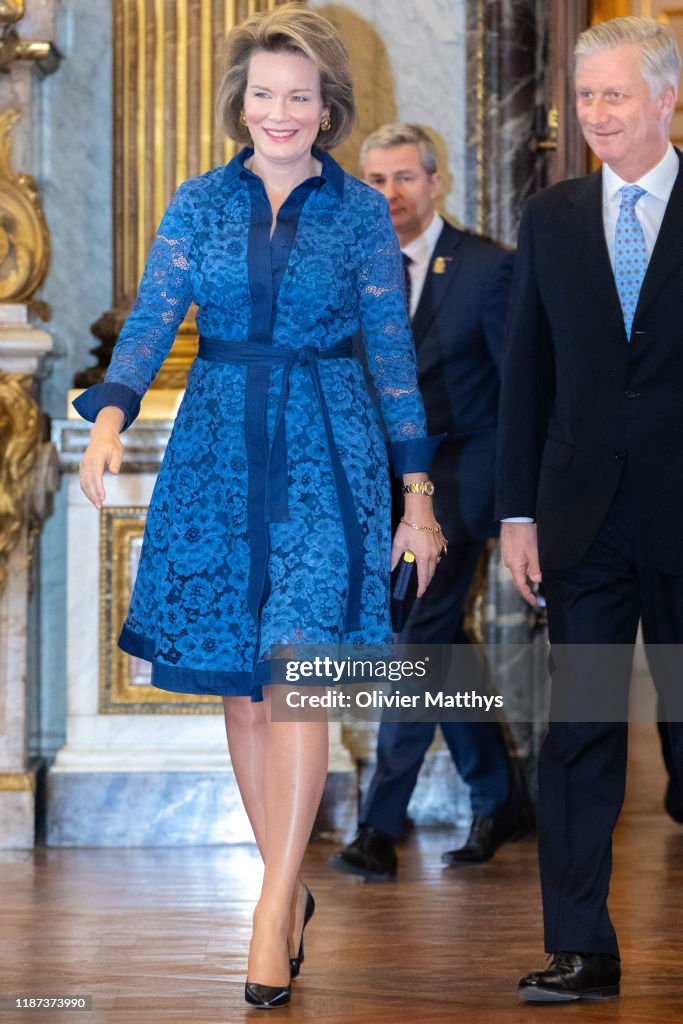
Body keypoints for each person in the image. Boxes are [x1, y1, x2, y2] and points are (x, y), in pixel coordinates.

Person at [75, 4, 444, 1010]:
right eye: (264, 94)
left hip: (331, 452)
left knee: (295, 677)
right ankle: (288, 891)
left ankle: (268, 906)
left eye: (300, 96)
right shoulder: (197, 202)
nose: (279, 112)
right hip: (217, 451)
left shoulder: (361, 213)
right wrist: (107, 416)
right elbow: (152, 318)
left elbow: (392, 357)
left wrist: (417, 496)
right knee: (244, 686)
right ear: (241, 103)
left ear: (328, 109)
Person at [496, 15, 683, 1003]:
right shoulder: (551, 217)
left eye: (614, 95)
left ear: (664, 99)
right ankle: (581, 946)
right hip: (580, 522)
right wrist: (514, 512)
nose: (595, 115)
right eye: (583, 98)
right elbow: (524, 372)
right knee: (579, 732)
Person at [329, 124, 531, 883]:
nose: (390, 194)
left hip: (458, 485)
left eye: (405, 177)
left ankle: (379, 824)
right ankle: (498, 796)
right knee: (438, 642)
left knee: (417, 638)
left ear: (435, 181)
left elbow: (517, 393)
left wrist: (521, 503)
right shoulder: (353, 270)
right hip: (378, 487)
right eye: (375, 179)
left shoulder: (487, 269)